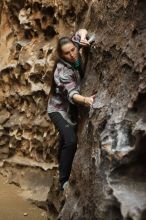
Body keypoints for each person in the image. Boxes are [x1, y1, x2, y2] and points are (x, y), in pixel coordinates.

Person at [48, 29, 95, 191]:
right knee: (71, 140)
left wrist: (82, 38)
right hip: (57, 111)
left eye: (73, 50)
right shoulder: (62, 71)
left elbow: (82, 30)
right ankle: (63, 181)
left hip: (69, 110)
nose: (73, 55)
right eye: (67, 54)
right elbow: (72, 94)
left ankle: (61, 166)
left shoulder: (74, 45)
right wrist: (86, 100)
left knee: (64, 140)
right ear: (62, 56)